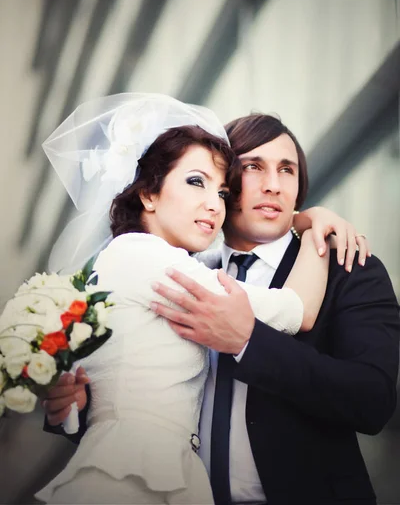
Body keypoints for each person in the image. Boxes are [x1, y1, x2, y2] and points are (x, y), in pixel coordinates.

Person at [36, 94, 332, 505]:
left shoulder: (140, 261)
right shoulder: (141, 255)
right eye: (196, 182)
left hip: (164, 470)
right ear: (148, 194)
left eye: (223, 193)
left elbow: (87, 383)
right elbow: (293, 312)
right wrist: (317, 228)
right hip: (132, 474)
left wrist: (72, 408)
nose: (214, 205)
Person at [148, 113, 400, 505]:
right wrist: (77, 407)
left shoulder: (349, 269)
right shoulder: (184, 274)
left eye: (287, 170)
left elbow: (373, 401)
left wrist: (249, 342)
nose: (273, 185)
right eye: (253, 167)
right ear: (222, 183)